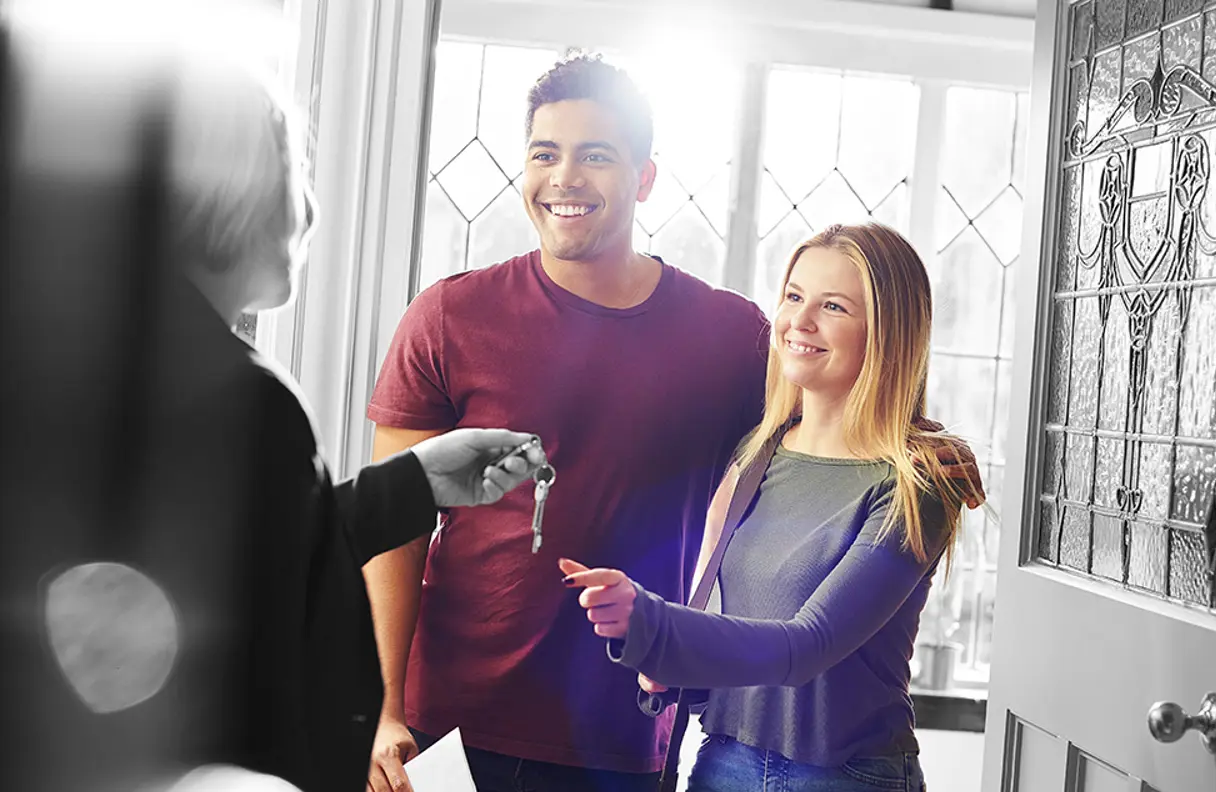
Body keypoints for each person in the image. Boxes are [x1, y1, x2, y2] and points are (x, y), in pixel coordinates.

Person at [2, 19, 550, 791]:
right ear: (232, 183)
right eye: (296, 170)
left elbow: (256, 554)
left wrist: (418, 481)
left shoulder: (108, 360)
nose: (313, 210)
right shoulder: (234, 398)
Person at [363, 54, 769, 792]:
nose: (565, 178)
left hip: (621, 738)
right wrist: (380, 708)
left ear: (644, 179)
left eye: (597, 157)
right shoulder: (450, 317)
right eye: (544, 154)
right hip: (444, 728)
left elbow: (816, 458)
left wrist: (918, 451)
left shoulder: (731, 336)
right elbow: (392, 526)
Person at [562, 223, 987, 792]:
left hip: (848, 778)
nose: (799, 321)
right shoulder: (755, 457)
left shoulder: (918, 484)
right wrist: (668, 664)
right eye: (793, 296)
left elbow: (807, 644)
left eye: (832, 306)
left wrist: (653, 625)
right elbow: (727, 620)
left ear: (888, 334)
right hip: (722, 764)